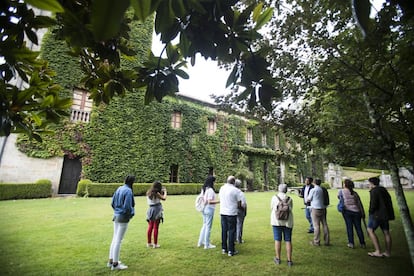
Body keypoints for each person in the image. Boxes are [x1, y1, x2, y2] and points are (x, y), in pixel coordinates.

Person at [108, 175, 136, 270]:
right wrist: (131, 214)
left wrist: (117, 210)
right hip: (123, 217)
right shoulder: (128, 191)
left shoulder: (119, 188)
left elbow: (112, 203)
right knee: (118, 240)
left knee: (114, 238)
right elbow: (128, 207)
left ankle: (111, 261)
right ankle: (115, 264)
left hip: (116, 215)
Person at [367, 177, 395, 258]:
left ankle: (378, 251)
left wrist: (370, 211)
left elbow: (373, 204)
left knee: (370, 230)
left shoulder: (374, 191)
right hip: (385, 215)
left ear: (372, 183)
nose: (368, 185)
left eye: (369, 183)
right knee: (386, 232)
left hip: (376, 214)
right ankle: (388, 252)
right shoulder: (383, 190)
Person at [219, 175, 243, 256]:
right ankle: (231, 250)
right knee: (232, 231)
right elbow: (239, 203)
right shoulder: (235, 190)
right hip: (231, 213)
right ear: (233, 182)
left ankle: (224, 248)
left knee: (224, 230)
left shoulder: (222, 188)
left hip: (223, 212)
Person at [338, 179, 366, 249]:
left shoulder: (341, 191)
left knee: (349, 227)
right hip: (357, 212)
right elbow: (359, 204)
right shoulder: (355, 193)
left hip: (347, 211)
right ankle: (362, 243)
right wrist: (362, 213)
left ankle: (351, 243)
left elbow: (339, 197)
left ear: (345, 185)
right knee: (358, 228)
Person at [271, 184, 294, 267]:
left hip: (276, 222)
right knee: (288, 240)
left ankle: (278, 258)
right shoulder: (289, 199)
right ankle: (289, 260)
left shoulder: (274, 198)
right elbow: (291, 209)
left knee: (277, 240)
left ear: (279, 189)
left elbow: (272, 208)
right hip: (288, 222)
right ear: (286, 190)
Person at [197, 175, 220, 249]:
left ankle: (200, 242)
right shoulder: (210, 190)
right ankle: (207, 244)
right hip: (209, 209)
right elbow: (210, 201)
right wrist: (219, 201)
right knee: (208, 227)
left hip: (204, 208)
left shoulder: (205, 189)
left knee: (204, 225)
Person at [307, 178, 330, 246]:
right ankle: (327, 241)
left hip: (315, 208)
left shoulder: (313, 190)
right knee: (325, 224)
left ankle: (316, 241)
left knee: (316, 225)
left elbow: (308, 199)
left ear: (314, 183)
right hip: (323, 208)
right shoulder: (322, 189)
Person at [146, 180, 167, 249]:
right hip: (157, 209)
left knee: (150, 226)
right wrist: (165, 192)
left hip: (150, 209)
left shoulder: (149, 192)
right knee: (156, 227)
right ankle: (155, 244)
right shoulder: (157, 193)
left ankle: (149, 243)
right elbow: (164, 198)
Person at [235, 179, 247, 244]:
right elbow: (243, 204)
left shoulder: (232, 191)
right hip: (239, 210)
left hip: (233, 210)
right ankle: (239, 239)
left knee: (234, 224)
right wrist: (244, 209)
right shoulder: (240, 193)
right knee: (239, 224)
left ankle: (234, 238)